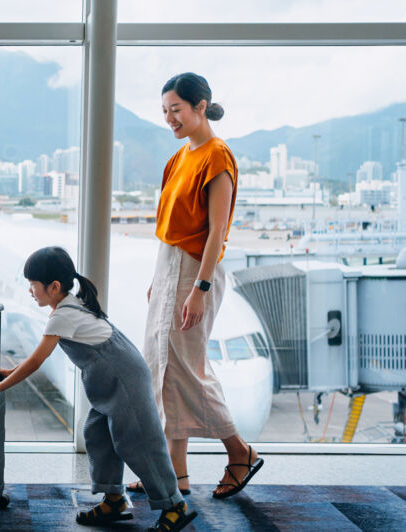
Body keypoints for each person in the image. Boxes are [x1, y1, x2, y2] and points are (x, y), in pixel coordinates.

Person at [0, 247, 196, 532]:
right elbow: (38, 357)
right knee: (96, 432)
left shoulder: (62, 315)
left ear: (53, 287)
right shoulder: (67, 306)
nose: (30, 291)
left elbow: (36, 361)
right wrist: (9, 371)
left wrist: (2, 385)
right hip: (110, 383)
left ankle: (174, 505)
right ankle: (114, 499)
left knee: (138, 442)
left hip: (125, 379)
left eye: (33, 285)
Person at [128, 72, 263, 500]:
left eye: (177, 110)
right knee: (163, 372)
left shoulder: (217, 157)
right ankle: (177, 477)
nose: (170, 118)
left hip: (195, 272)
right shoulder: (179, 158)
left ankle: (239, 451)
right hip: (171, 269)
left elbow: (216, 233)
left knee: (185, 371)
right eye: (165, 111)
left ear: (200, 106)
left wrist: (199, 288)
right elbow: (170, 230)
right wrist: (158, 279)